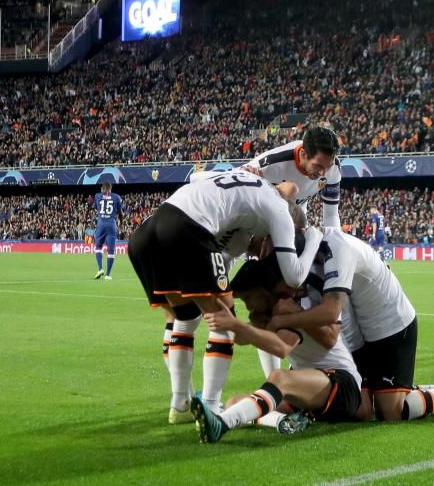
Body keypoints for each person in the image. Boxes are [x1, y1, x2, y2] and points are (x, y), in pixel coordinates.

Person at [127, 169, 322, 425]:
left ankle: (180, 404)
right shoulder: (279, 212)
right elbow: (295, 276)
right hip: (187, 228)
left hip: (147, 231)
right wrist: (314, 241)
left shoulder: (245, 197)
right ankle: (210, 409)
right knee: (224, 323)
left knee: (184, 318)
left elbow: (196, 176)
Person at [266, 226, 434, 421]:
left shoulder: (337, 249)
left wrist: (278, 321)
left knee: (392, 411)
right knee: (367, 404)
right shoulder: (319, 254)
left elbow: (330, 312)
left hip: (390, 323)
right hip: (362, 331)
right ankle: (397, 390)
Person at [191, 256, 363, 442]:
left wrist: (238, 326)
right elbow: (241, 339)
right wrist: (230, 324)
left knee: (279, 378)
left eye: (248, 297)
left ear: (265, 291)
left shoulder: (291, 307)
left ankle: (222, 424)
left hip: (342, 384)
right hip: (310, 389)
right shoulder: (269, 313)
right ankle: (284, 421)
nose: (248, 305)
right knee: (235, 402)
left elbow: (281, 348)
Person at [245, 125, 342, 377]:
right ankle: (272, 378)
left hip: (298, 231)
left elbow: (331, 217)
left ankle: (297, 365)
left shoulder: (332, 169)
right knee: (267, 305)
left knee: (300, 299)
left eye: (327, 167)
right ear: (302, 155)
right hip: (262, 235)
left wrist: (337, 253)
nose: (323, 173)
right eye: (318, 166)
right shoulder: (270, 165)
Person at [92, 182, 128, 280]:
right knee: (111, 251)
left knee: (98, 247)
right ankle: (108, 275)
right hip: (112, 225)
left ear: (102, 188)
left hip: (101, 224)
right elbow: (120, 213)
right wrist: (121, 222)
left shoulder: (97, 196)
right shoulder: (116, 197)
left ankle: (100, 269)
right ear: (111, 188)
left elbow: (96, 207)